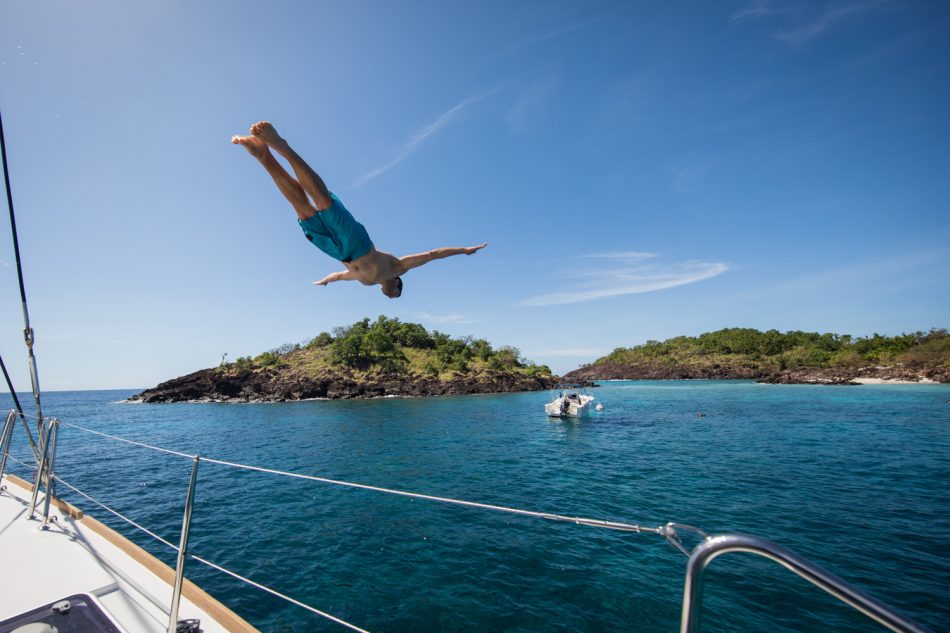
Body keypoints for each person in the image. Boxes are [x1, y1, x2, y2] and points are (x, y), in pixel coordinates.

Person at [232, 121, 487, 298]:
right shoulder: (398, 267)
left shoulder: (366, 282)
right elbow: (432, 254)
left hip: (337, 252)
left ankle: (263, 155)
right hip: (358, 243)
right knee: (322, 201)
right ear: (397, 284)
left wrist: (325, 281)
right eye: (395, 295)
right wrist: (464, 250)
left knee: (302, 210)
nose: (390, 297)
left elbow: (341, 276)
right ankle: (282, 146)